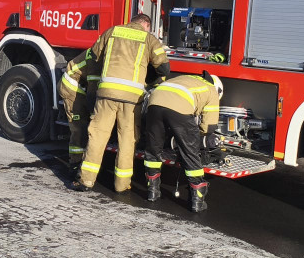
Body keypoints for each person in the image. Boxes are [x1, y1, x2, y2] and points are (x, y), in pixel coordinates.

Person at [73, 14, 170, 193]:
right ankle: (121, 185)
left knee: (98, 136)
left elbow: (94, 55)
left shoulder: (112, 31)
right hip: (132, 99)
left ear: (132, 21)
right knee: (127, 140)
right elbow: (164, 68)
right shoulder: (149, 39)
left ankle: (86, 180)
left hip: (107, 94)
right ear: (146, 24)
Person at [143, 71, 223, 212]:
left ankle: (152, 191)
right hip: (179, 106)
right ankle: (197, 200)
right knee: (189, 152)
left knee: (153, 149)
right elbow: (208, 127)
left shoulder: (186, 79)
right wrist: (199, 137)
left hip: (154, 101)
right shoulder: (211, 91)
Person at [58, 48, 99, 179]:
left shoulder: (100, 51)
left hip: (80, 84)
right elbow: (92, 92)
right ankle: (74, 164)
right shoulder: (96, 58)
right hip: (71, 86)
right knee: (78, 126)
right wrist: (94, 113)